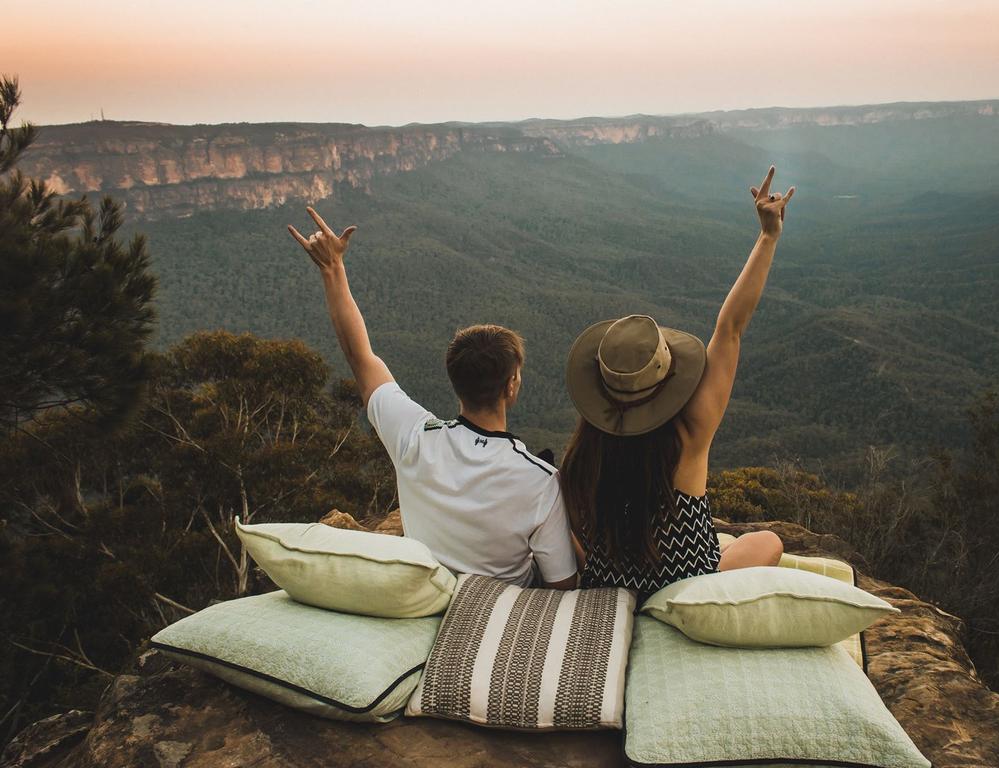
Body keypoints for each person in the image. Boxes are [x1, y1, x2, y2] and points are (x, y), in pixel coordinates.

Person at [287, 207, 578, 590]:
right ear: (512, 387)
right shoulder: (540, 481)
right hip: (501, 611)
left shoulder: (414, 436)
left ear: (454, 380)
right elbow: (563, 585)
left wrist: (332, 269)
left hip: (430, 596)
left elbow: (360, 356)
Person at [559, 166, 793, 602]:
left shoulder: (581, 459)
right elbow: (730, 328)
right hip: (689, 589)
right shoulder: (690, 433)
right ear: (667, 378)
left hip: (609, 587)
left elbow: (573, 542)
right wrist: (767, 236)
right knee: (768, 542)